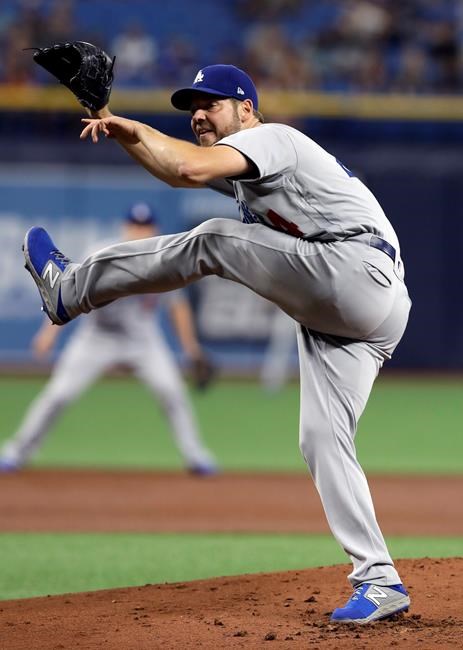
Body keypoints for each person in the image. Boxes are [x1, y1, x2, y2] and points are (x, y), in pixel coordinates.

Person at [22, 63, 412, 624]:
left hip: (356, 268)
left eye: (212, 103)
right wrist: (116, 125)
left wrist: (138, 131)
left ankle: (68, 290)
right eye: (191, 107)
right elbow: (174, 167)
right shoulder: (247, 166)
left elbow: (184, 165)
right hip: (365, 308)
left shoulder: (274, 139)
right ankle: (380, 581)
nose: (199, 114)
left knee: (212, 239)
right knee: (321, 439)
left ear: (247, 109)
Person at [2, 203, 218, 476]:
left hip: (143, 341)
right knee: (58, 394)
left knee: (171, 391)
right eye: (135, 225)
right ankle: (16, 451)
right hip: (96, 339)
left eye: (145, 226)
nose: (140, 231)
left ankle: (195, 455)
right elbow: (67, 293)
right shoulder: (101, 253)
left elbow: (178, 307)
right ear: (124, 228)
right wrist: (48, 334)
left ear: (155, 229)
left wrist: (191, 348)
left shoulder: (165, 257)